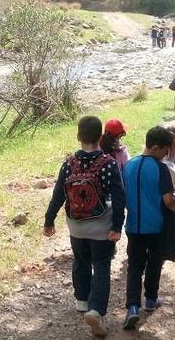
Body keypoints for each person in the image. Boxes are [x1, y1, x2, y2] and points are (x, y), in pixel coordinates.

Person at [43, 116, 125, 338]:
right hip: (102, 227)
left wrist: (49, 220)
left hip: (76, 226)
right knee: (101, 265)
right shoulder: (108, 163)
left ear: (78, 137)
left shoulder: (68, 164)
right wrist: (118, 227)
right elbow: (119, 198)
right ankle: (96, 310)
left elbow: (58, 194)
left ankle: (81, 301)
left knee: (80, 261)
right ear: (100, 137)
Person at [122, 127, 175, 330]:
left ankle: (132, 308)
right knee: (155, 263)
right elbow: (167, 200)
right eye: (165, 151)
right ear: (157, 148)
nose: (166, 155)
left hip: (133, 226)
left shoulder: (128, 166)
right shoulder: (160, 168)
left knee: (134, 267)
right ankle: (150, 299)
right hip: (155, 227)